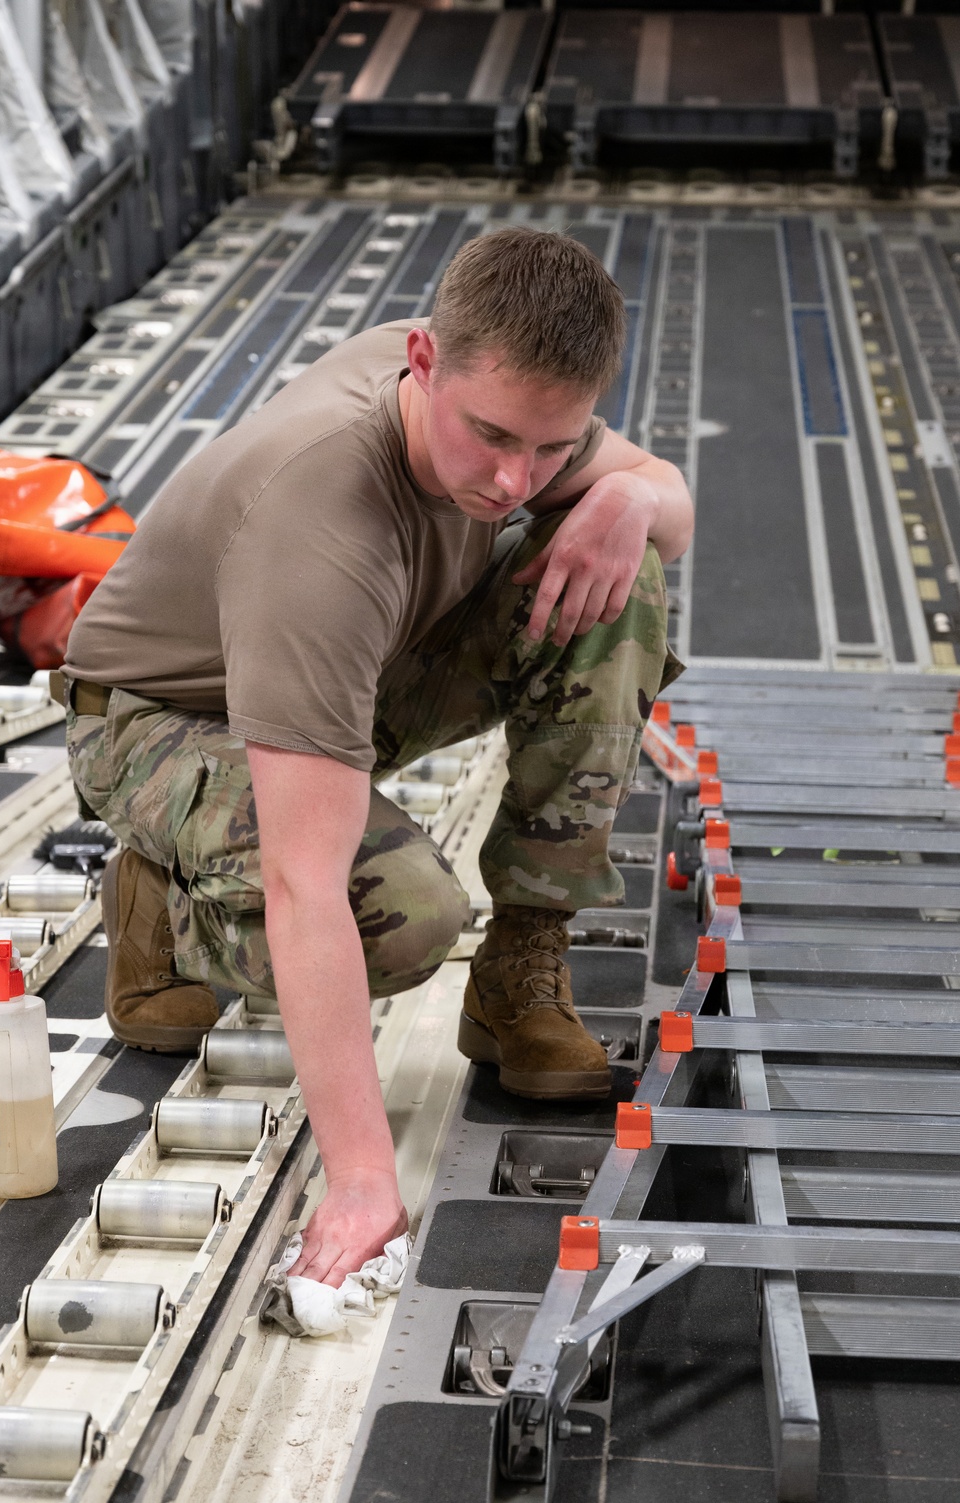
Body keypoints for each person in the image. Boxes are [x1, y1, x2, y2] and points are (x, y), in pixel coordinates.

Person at [60, 227, 692, 1287]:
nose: (512, 478)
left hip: (356, 663)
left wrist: (626, 498)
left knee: (619, 574)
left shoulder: (503, 392)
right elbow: (307, 881)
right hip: (164, 718)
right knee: (398, 921)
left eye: (548, 448)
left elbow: (657, 489)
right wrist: (360, 1177)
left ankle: (521, 972)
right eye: (491, 438)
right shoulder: (321, 523)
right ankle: (165, 910)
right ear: (421, 360)